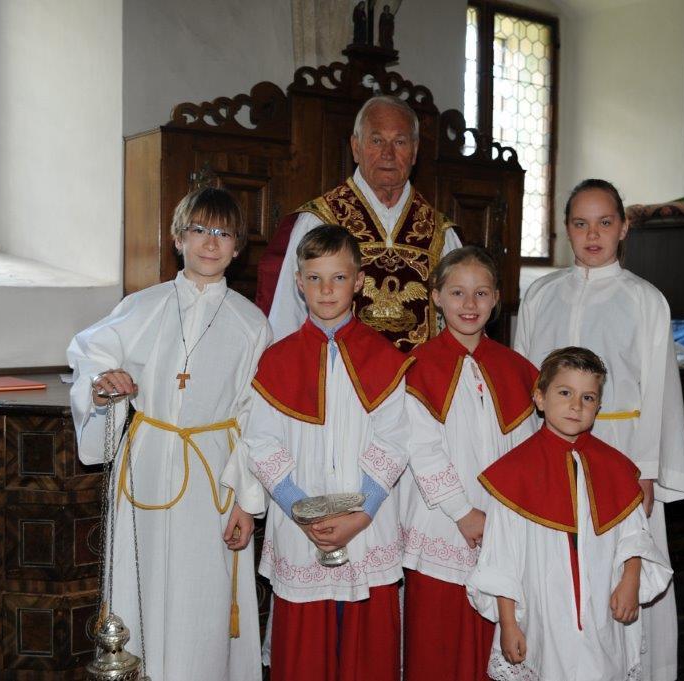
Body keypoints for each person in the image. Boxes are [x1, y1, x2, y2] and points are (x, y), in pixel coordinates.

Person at [67, 186, 271, 681]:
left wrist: (247, 501)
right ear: (178, 238)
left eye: (223, 233)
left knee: (203, 592)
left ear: (238, 248)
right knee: (141, 582)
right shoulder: (142, 306)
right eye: (199, 229)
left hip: (213, 474)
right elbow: (89, 353)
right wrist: (103, 385)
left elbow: (257, 417)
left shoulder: (251, 324)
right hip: (148, 465)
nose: (210, 242)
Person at [513, 178, 684, 681]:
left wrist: (647, 470)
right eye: (580, 223)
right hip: (549, 452)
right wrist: (520, 458)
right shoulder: (540, 294)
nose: (593, 235)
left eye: (605, 222)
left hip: (623, 452)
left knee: (621, 570)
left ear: (624, 227)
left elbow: (658, 391)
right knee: (557, 567)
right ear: (565, 229)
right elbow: (524, 380)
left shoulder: (645, 299)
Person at [242, 225, 414, 681]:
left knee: (367, 654)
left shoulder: (384, 358)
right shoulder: (277, 360)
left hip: (367, 528)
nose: (326, 290)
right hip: (301, 528)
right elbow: (260, 441)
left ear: (359, 282)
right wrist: (302, 509)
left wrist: (361, 514)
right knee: (304, 653)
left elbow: (395, 440)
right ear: (299, 283)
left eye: (338, 278)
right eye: (315, 278)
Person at [467, 347, 673, 681]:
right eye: (565, 393)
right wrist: (508, 623)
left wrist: (631, 580)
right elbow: (501, 557)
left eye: (588, 397)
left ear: (598, 407)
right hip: (544, 613)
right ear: (540, 397)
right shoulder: (515, 472)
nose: (576, 406)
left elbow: (634, 534)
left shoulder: (615, 467)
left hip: (602, 611)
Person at [399, 246, 540, 681]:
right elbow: (421, 449)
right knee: (438, 642)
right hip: (441, 522)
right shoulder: (417, 367)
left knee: (495, 635)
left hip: (501, 525)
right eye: (457, 292)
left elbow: (528, 451)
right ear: (436, 297)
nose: (470, 304)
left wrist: (510, 517)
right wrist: (462, 511)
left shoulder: (518, 369)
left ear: (496, 298)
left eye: (481, 293)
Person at [257, 94, 463, 349]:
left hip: (419, 374)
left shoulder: (440, 234)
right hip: (337, 371)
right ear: (355, 147)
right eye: (376, 140)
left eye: (399, 142)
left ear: (415, 151)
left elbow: (462, 321)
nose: (388, 153)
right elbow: (287, 316)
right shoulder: (319, 221)